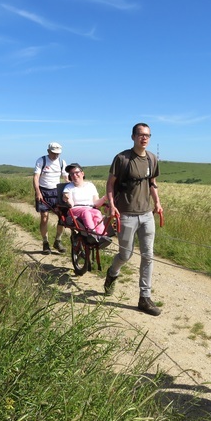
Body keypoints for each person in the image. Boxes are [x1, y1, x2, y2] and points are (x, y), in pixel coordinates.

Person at [104, 123, 163, 316]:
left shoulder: (153, 159)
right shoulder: (122, 158)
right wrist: (112, 206)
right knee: (125, 255)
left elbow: (152, 183)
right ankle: (112, 273)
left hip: (147, 215)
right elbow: (111, 184)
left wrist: (157, 203)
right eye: (140, 135)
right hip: (126, 215)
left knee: (148, 255)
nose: (144, 138)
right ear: (133, 137)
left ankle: (144, 298)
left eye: (147, 135)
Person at [33, 142, 69, 254]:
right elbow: (36, 177)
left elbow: (65, 178)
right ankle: (45, 243)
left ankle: (58, 241)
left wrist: (71, 188)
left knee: (62, 217)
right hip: (43, 191)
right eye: (53, 153)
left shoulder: (62, 162)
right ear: (48, 151)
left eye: (58, 154)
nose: (55, 156)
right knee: (44, 217)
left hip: (57, 192)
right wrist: (38, 192)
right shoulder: (41, 161)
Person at [62, 163, 109, 242]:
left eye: (77, 172)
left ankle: (101, 236)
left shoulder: (90, 185)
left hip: (90, 208)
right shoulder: (68, 187)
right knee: (86, 212)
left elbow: (96, 203)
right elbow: (70, 203)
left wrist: (105, 198)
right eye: (71, 174)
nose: (74, 175)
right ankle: (91, 233)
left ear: (82, 173)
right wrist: (66, 198)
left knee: (97, 212)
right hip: (75, 209)